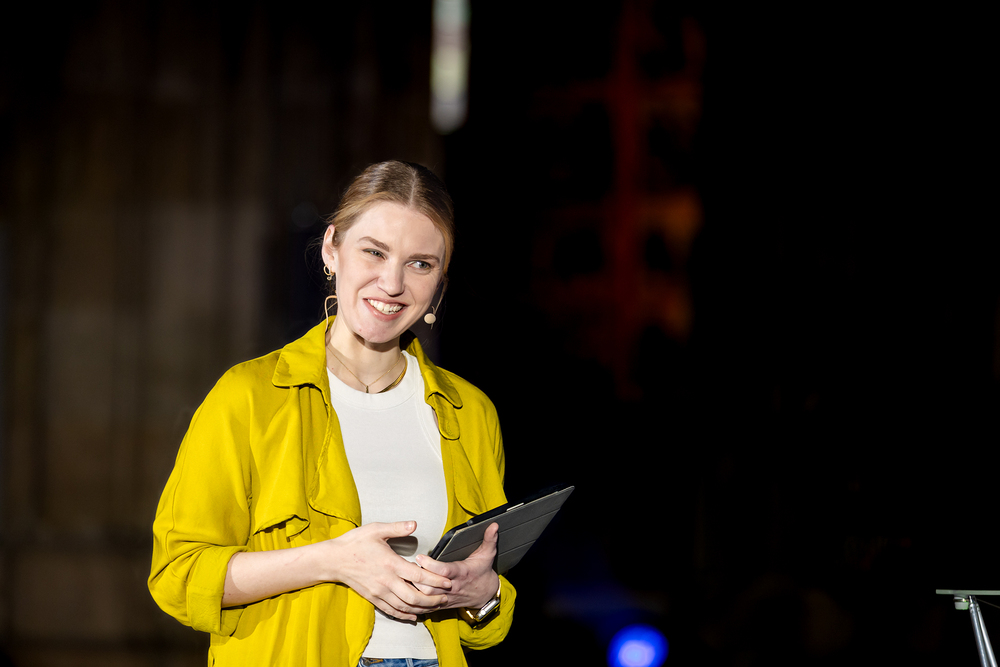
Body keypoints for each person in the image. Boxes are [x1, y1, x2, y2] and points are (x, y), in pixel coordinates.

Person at [149, 161, 514, 667]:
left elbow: (487, 623)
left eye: (420, 264)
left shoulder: (469, 413)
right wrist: (333, 560)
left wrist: (482, 594)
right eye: (374, 252)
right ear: (331, 250)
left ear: (439, 285)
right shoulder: (248, 397)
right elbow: (180, 576)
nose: (392, 283)